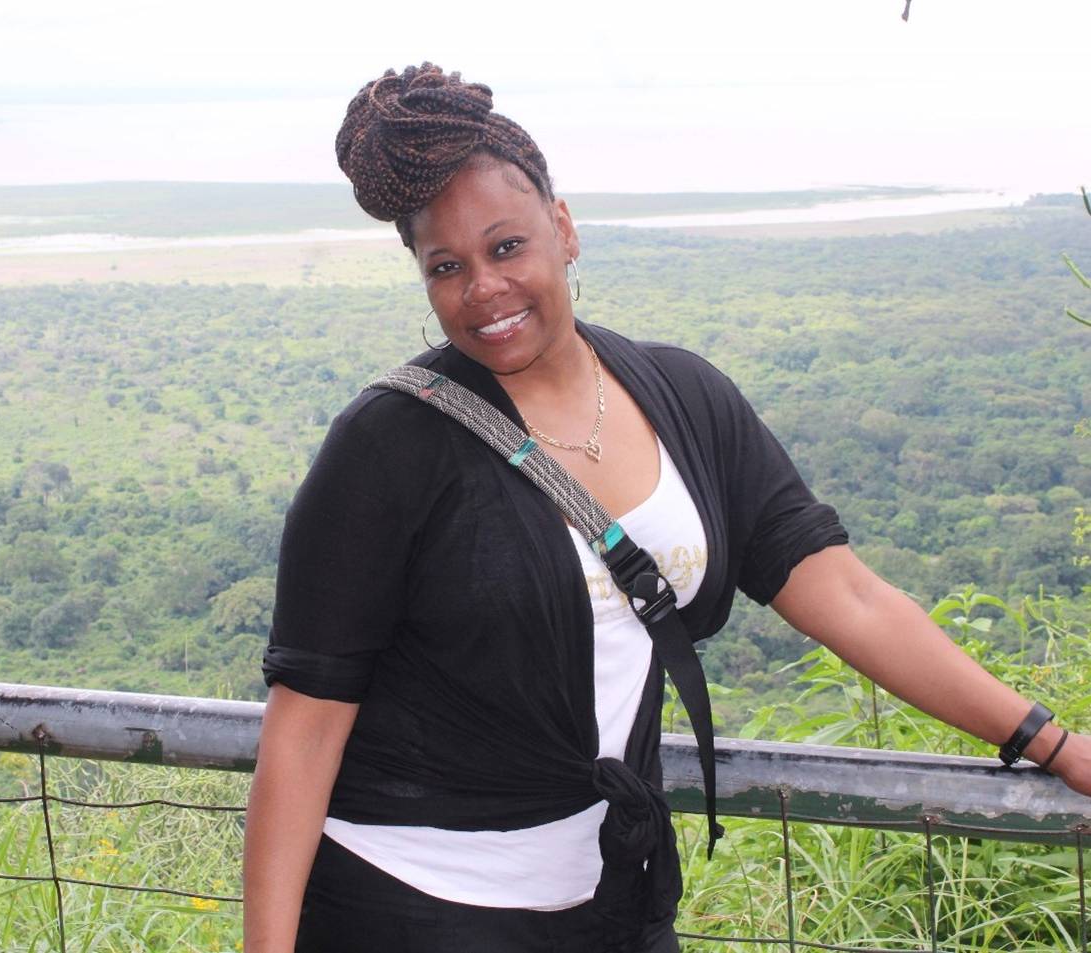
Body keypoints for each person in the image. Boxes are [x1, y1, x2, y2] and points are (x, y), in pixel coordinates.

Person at [242, 63, 1091, 953]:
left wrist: (1045, 738)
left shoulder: (684, 397)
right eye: (445, 266)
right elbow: (304, 727)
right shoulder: (388, 445)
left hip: (614, 896)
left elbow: (849, 597)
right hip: (406, 900)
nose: (483, 289)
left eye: (506, 247)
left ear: (563, 230)